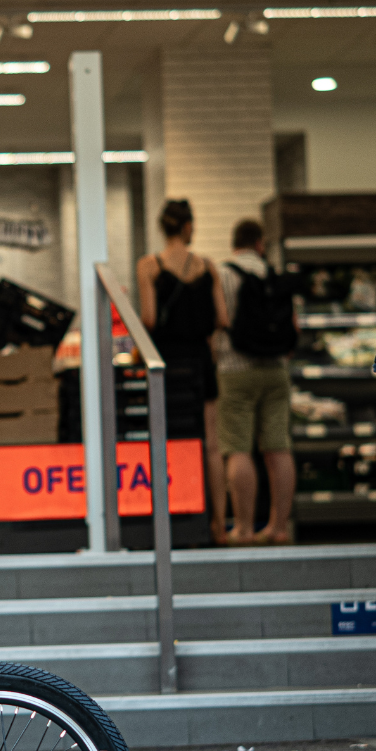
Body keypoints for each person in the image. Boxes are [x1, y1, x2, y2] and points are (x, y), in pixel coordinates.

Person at [137, 199, 231, 542]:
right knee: (210, 443)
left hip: (166, 365)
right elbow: (222, 319)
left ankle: (172, 519)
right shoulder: (207, 267)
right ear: (188, 226)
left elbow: (148, 318)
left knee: (168, 439)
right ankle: (219, 523)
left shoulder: (148, 266)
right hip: (200, 361)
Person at [217, 219, 297, 545]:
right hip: (276, 369)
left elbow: (219, 323)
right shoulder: (273, 275)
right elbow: (293, 326)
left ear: (234, 241)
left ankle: (244, 528)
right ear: (259, 243)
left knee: (238, 449)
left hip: (236, 368)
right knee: (278, 447)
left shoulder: (222, 275)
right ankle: (279, 528)